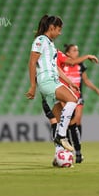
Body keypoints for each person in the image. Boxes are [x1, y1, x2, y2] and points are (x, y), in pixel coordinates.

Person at [26, 15, 79, 152]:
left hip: (51, 81)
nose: (60, 33)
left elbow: (56, 67)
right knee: (73, 99)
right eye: (59, 29)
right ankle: (61, 137)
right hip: (47, 81)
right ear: (52, 27)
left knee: (61, 118)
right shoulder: (40, 40)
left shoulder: (50, 44)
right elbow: (32, 62)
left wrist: (69, 82)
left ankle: (59, 154)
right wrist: (32, 85)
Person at [48, 44, 99, 164]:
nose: (76, 52)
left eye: (77, 50)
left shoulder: (80, 65)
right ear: (67, 53)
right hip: (66, 95)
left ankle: (78, 151)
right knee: (67, 123)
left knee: (76, 121)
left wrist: (97, 90)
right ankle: (68, 149)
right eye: (74, 50)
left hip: (78, 96)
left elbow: (86, 80)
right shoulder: (62, 64)